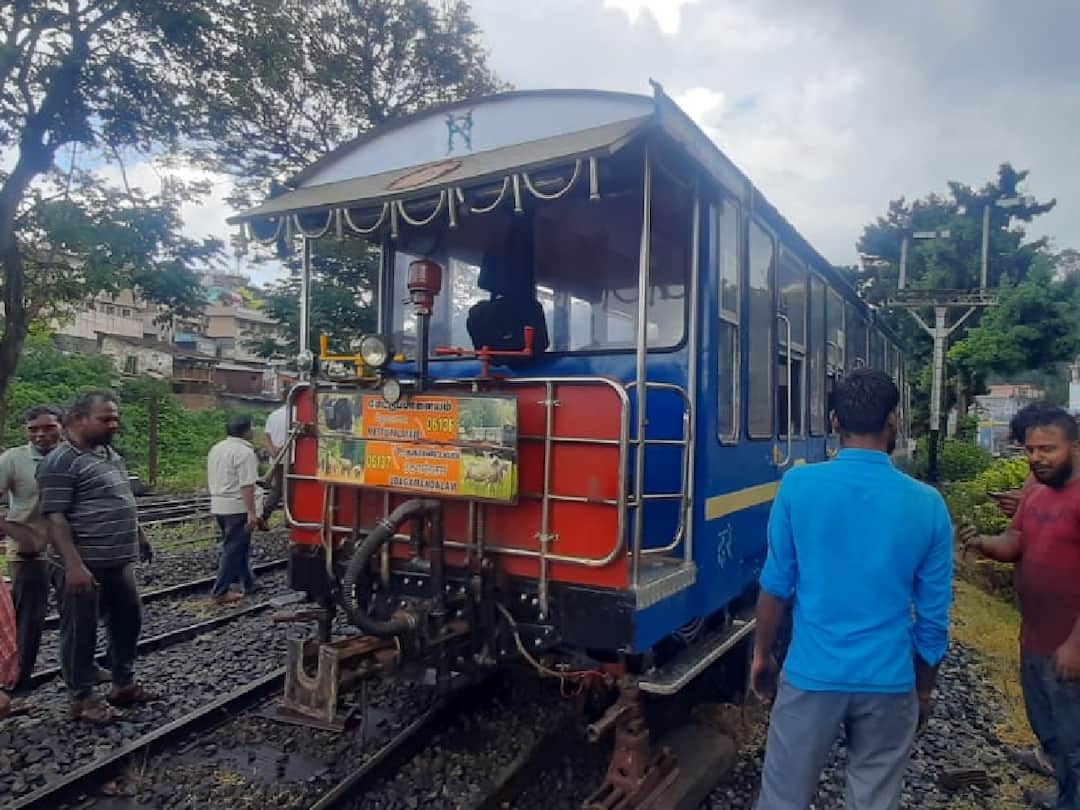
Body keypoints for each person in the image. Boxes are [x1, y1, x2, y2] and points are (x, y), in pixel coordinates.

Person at [752, 369, 954, 810]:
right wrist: (923, 690)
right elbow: (934, 620)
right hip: (889, 680)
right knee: (874, 799)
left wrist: (762, 655)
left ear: (833, 422)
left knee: (783, 798)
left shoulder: (798, 486)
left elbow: (775, 587)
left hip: (811, 677)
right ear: (894, 422)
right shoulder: (928, 504)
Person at [962, 406, 1080, 810]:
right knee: (1051, 733)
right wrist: (982, 542)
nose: (1036, 458)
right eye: (1030, 450)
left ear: (1075, 447)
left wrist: (1076, 645)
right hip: (1036, 640)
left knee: (1075, 738)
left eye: (1047, 449)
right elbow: (1015, 544)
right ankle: (1067, 798)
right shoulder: (1036, 493)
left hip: (1071, 647)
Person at [38, 391, 156, 723]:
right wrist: (74, 565)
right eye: (105, 418)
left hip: (118, 562)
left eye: (115, 417)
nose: (114, 424)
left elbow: (120, 500)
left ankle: (123, 684)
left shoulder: (108, 454)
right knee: (80, 631)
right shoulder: (60, 461)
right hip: (82, 563)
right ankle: (82, 698)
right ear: (78, 419)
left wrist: (139, 535)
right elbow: (55, 517)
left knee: (127, 621)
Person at [0, 405, 63, 694]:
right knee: (29, 620)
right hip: (29, 553)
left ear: (61, 427)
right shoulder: (13, 459)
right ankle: (17, 681)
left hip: (68, 550)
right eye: (33, 429)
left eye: (48, 427)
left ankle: (80, 669)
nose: (41, 434)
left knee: (76, 613)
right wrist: (18, 534)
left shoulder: (72, 457)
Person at [207, 415, 260, 604]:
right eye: (252, 427)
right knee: (233, 549)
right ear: (246, 431)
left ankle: (248, 581)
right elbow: (247, 486)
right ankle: (220, 591)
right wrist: (252, 513)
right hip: (236, 507)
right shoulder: (244, 453)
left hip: (219, 504)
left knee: (239, 546)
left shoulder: (217, 448)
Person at [259, 386, 290, 529]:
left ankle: (267, 516)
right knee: (285, 490)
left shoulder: (273, 415)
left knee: (279, 489)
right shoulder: (297, 414)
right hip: (293, 461)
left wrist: (273, 453)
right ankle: (266, 516)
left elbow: (267, 437)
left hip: (276, 459)